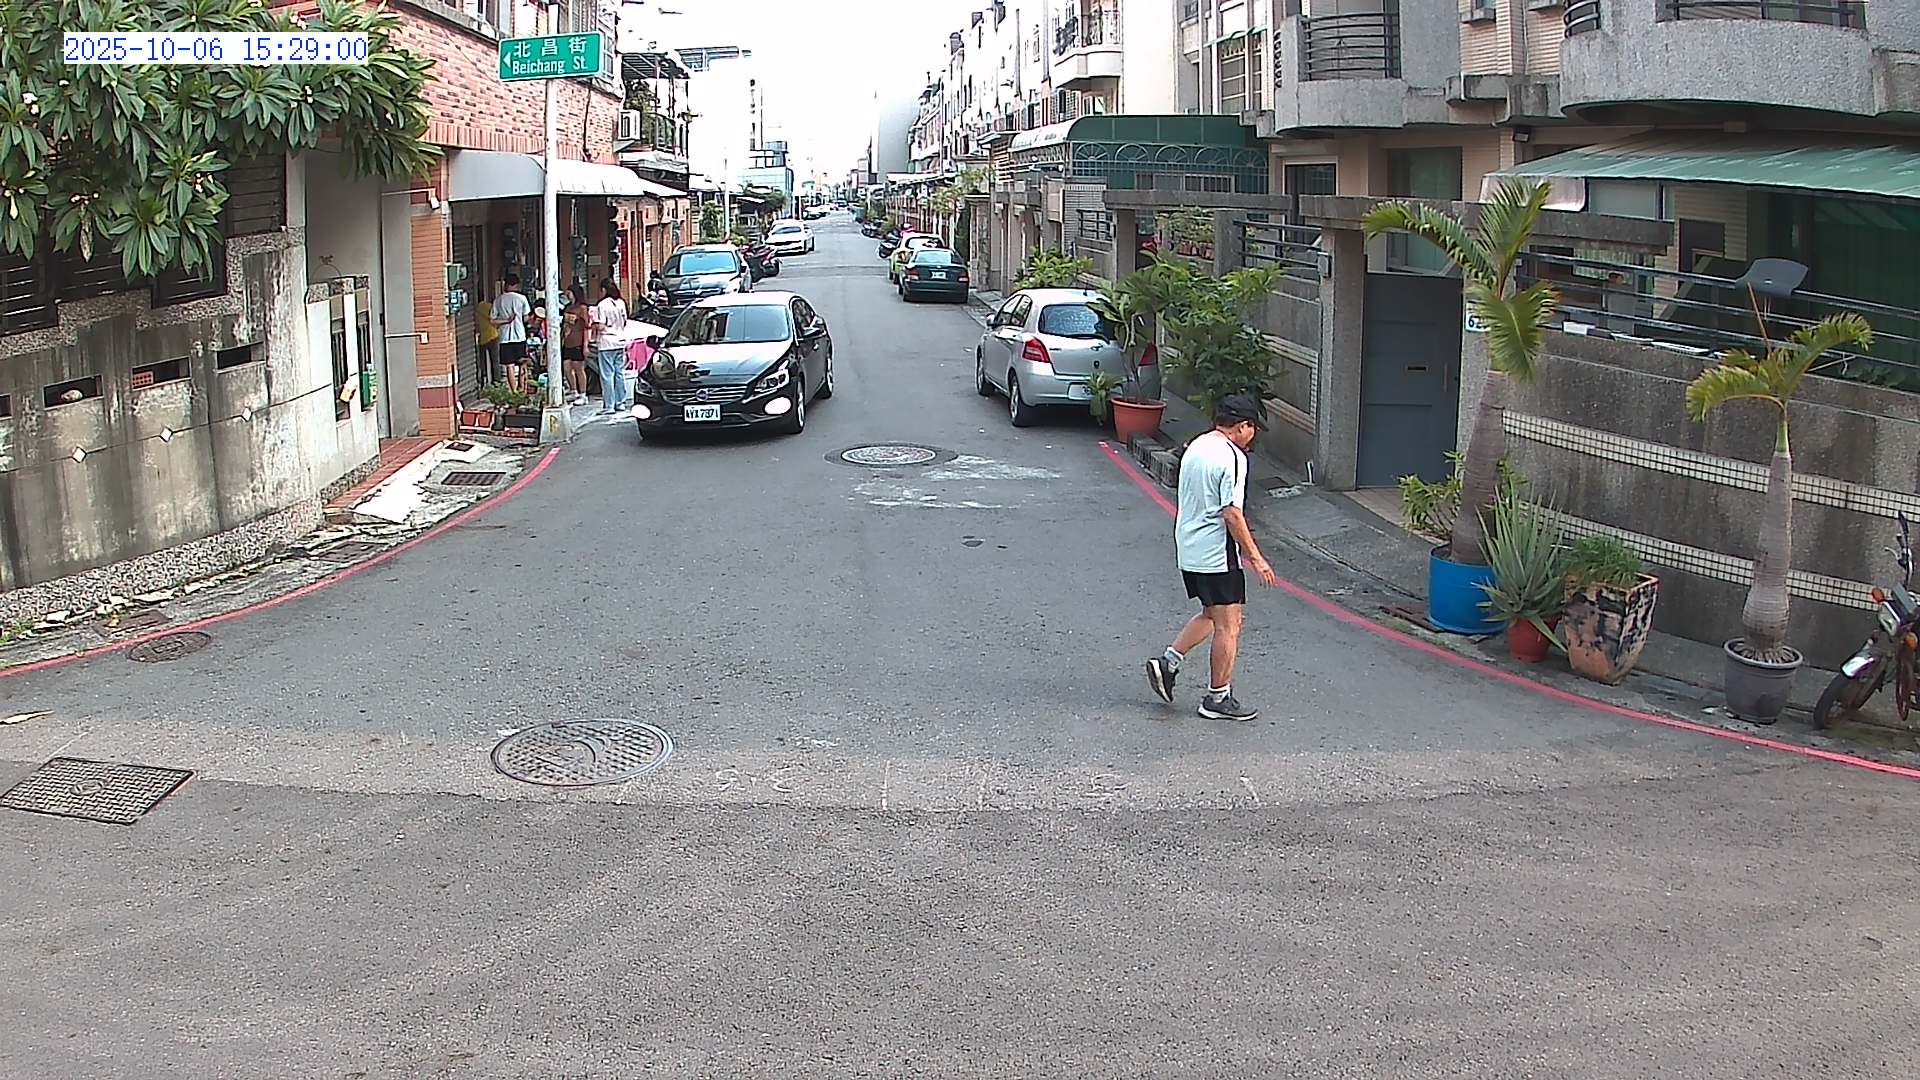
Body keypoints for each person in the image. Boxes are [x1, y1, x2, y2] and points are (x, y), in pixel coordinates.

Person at [1145, 394, 1278, 721]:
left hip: (1189, 546)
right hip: (1217, 553)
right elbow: (1232, 513)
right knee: (1230, 625)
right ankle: (1218, 697)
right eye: (1252, 428)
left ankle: (1168, 663)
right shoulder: (1233, 457)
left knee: (1212, 613)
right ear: (1243, 426)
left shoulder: (1198, 445)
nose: (1252, 436)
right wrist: (1256, 558)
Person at [589, 278, 631, 415]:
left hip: (606, 342)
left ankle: (609, 405)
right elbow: (624, 322)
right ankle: (621, 403)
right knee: (619, 373)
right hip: (620, 340)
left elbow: (601, 326)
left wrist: (594, 325)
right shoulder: (621, 303)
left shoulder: (602, 305)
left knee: (607, 374)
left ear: (603, 290)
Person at [491, 274, 531, 394]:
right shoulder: (522, 298)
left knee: (509, 366)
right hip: (520, 336)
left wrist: (506, 321)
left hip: (504, 338)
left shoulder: (498, 300)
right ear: (516, 285)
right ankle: (523, 389)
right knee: (523, 363)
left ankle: (514, 391)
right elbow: (526, 318)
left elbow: (492, 320)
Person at [562, 286, 592, 405]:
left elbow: (586, 327)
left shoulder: (582, 308)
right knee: (567, 367)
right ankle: (573, 390)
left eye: (569, 293)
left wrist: (585, 345)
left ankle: (583, 394)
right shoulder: (568, 307)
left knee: (578, 368)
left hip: (578, 341)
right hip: (567, 341)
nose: (568, 295)